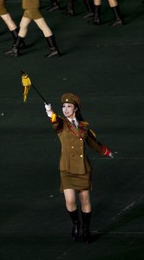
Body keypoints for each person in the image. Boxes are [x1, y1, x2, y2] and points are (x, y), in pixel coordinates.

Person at [44, 93, 114, 243]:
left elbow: (93, 143)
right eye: (63, 106)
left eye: (69, 106)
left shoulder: (84, 127)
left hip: (83, 168)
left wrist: (106, 151)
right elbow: (55, 123)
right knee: (70, 201)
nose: (65, 109)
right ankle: (76, 224)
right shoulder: (62, 124)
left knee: (85, 200)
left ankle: (86, 230)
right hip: (67, 168)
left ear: (75, 109)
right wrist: (50, 113)